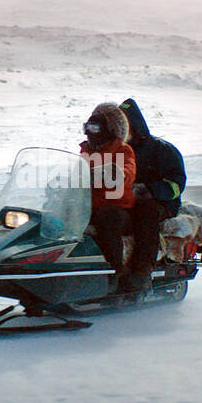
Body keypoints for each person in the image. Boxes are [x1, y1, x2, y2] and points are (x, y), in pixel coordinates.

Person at [118, 98, 186, 291]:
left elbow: (176, 183)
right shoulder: (115, 151)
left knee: (144, 212)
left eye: (124, 124)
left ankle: (141, 273)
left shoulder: (162, 150)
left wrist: (149, 191)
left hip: (159, 203)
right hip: (124, 201)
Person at [79, 102, 136, 285]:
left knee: (107, 218)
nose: (89, 132)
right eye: (87, 127)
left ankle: (113, 272)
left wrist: (117, 173)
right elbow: (75, 171)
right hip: (89, 205)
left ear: (107, 130)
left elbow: (129, 170)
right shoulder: (85, 151)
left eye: (94, 128)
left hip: (116, 207)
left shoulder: (123, 150)